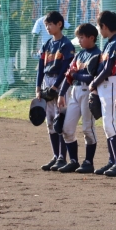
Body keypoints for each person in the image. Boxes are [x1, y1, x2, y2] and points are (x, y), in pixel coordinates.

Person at [56, 23, 101, 173]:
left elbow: (92, 78)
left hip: (88, 92)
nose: (79, 40)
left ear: (91, 37)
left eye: (82, 37)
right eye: (79, 38)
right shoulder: (79, 54)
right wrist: (61, 94)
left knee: (87, 128)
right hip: (74, 91)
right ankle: (74, 161)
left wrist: (75, 75)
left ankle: (88, 162)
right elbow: (68, 76)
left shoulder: (98, 54)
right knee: (67, 129)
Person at [35, 11, 75, 172]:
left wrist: (56, 86)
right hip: (47, 81)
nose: (47, 27)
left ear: (59, 24)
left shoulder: (66, 45)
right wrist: (38, 87)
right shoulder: (47, 44)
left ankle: (62, 157)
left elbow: (66, 68)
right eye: (46, 25)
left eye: (50, 24)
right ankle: (55, 155)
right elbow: (40, 68)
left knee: (60, 121)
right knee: (50, 121)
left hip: (61, 83)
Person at [89, 11, 116, 177]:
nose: (99, 30)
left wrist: (93, 83)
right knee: (106, 125)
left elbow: (107, 68)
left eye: (99, 26)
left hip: (111, 83)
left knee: (110, 124)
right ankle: (112, 161)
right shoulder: (110, 42)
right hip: (105, 85)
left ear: (104, 26)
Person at [0, 4, 21, 94]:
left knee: (9, 76)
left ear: (6, 13)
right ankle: (3, 94)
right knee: (1, 76)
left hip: (9, 55)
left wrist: (11, 52)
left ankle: (11, 94)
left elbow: (17, 41)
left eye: (1, 11)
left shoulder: (12, 25)